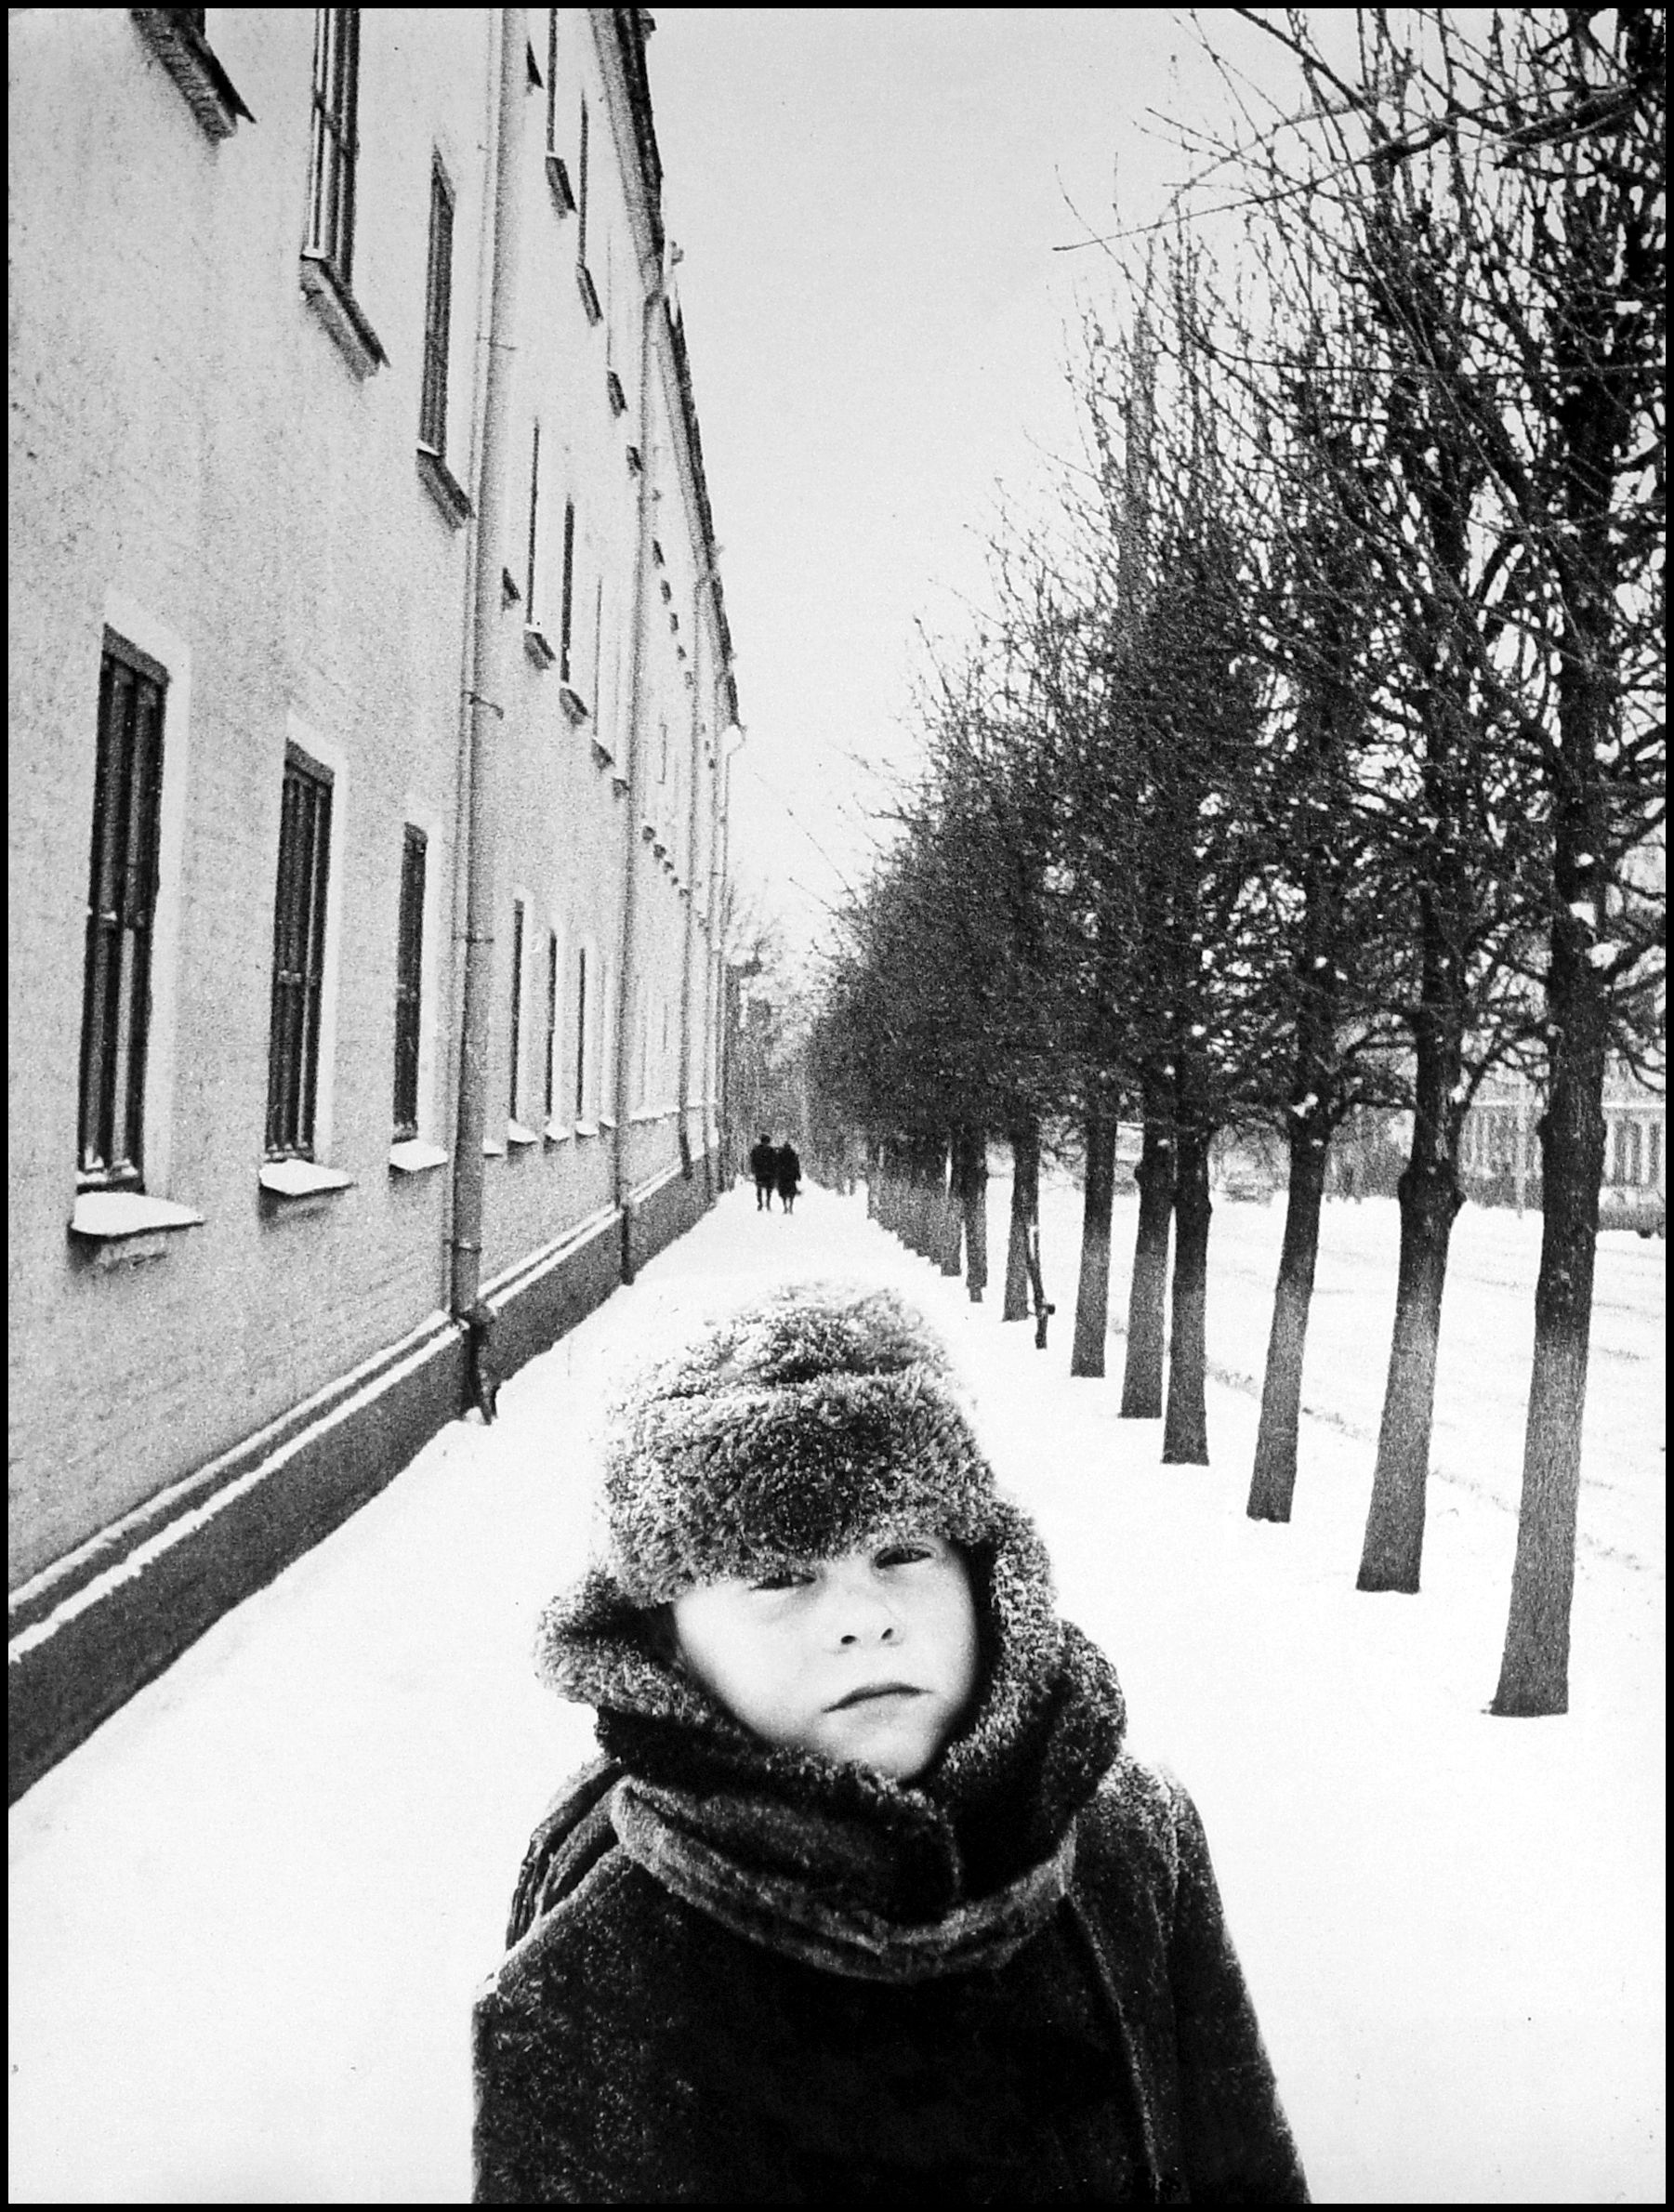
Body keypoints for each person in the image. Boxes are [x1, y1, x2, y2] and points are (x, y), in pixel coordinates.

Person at [472, 1284, 1309, 2204]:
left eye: (903, 1552)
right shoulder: (598, 1965)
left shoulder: (1128, 1839)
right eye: (779, 1574)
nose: (863, 1618)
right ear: (666, 1640)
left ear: (987, 1574)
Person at [747, 1131, 777, 1211]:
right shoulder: (771, 1150)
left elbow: (752, 1161)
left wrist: (753, 1170)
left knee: (759, 1188)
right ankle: (768, 1203)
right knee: (768, 1189)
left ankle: (760, 1204)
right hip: (769, 1172)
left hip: (759, 1172)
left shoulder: (756, 1150)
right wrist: (775, 1172)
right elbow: (775, 1162)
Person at [773, 1135, 802, 1215]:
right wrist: (798, 1175)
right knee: (791, 1192)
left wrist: (776, 1175)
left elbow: (776, 1165)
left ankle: (785, 1206)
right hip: (791, 1176)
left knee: (783, 1192)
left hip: (782, 1176)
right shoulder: (793, 1154)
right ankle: (791, 1207)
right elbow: (796, 1166)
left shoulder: (780, 1155)